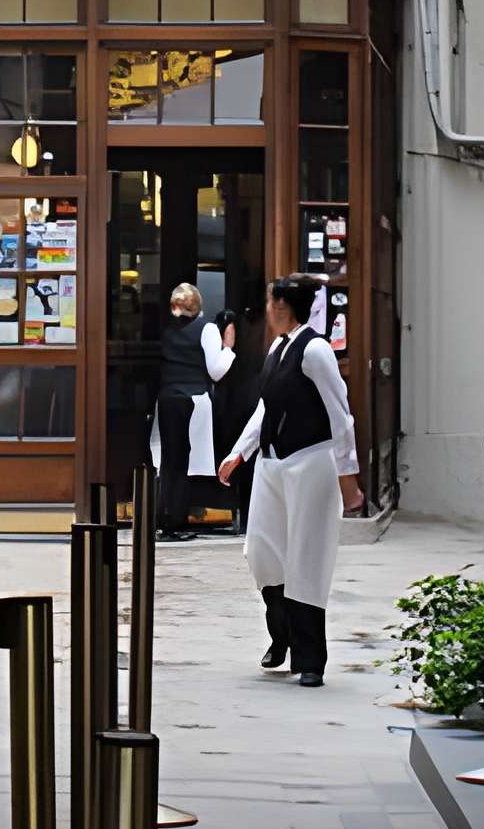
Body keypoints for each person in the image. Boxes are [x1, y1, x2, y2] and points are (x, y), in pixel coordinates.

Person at [217, 275, 362, 686]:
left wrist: (347, 478)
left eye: (270, 303)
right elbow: (267, 407)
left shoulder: (316, 350)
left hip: (311, 463)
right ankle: (282, 635)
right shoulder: (277, 348)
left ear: (281, 306)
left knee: (307, 558)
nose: (267, 310)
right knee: (261, 550)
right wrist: (239, 452)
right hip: (272, 464)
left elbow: (341, 416)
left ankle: (310, 658)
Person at [150, 281, 236, 540]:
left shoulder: (165, 329)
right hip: (194, 398)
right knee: (185, 462)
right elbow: (216, 371)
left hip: (167, 397)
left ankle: (168, 518)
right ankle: (177, 521)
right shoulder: (207, 329)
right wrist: (229, 348)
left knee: (169, 462)